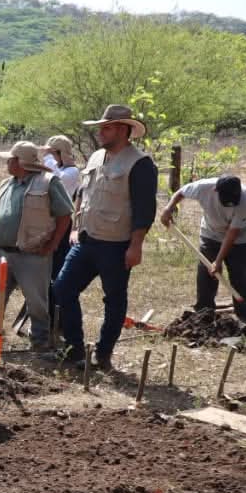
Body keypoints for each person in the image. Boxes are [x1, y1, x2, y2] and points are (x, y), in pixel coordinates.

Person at [52, 105, 158, 371]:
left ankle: (104, 353)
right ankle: (75, 349)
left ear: (123, 129)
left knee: (114, 300)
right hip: (86, 239)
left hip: (117, 244)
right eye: (101, 127)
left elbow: (145, 210)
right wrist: (75, 227)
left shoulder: (140, 163)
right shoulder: (96, 157)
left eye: (106, 127)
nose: (101, 132)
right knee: (63, 289)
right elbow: (82, 194)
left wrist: (136, 246)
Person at [0, 141, 74, 351]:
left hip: (33, 254)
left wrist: (52, 245)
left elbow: (64, 214)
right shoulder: (8, 183)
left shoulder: (48, 182)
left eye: (11, 159)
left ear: (20, 162)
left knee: (36, 300)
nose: (7, 163)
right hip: (1, 251)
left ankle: (40, 340)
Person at [160, 175, 246, 322]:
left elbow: (232, 235)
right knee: (206, 275)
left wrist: (218, 261)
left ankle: (245, 316)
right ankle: (204, 314)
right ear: (216, 191)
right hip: (211, 234)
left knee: (241, 275)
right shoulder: (203, 187)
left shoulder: (245, 200)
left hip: (241, 239)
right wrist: (168, 208)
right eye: (226, 201)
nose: (231, 204)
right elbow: (182, 192)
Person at [40, 134, 81, 294]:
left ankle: (56, 308)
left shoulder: (72, 171)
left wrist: (48, 158)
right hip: (44, 221)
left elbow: (59, 182)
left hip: (61, 221)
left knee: (57, 268)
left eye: (53, 153)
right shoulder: (55, 168)